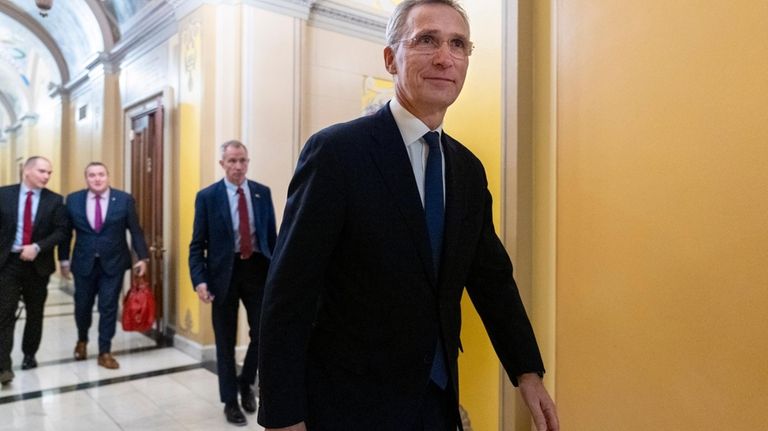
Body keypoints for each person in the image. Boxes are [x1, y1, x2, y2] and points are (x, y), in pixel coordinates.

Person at [256, 1, 559, 430]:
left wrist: (527, 371)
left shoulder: (467, 170)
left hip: (436, 401)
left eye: (458, 44)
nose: (444, 57)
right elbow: (289, 292)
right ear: (390, 59)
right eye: (426, 40)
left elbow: (491, 278)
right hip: (349, 404)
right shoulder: (337, 154)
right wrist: (283, 416)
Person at [188, 140, 277, 426]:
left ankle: (246, 382)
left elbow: (271, 240)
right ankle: (230, 401)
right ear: (222, 164)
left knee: (263, 333)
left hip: (257, 272)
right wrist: (199, 280)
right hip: (222, 275)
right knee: (225, 342)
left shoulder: (262, 193)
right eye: (232, 161)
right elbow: (196, 244)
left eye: (242, 161)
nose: (238, 167)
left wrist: (277, 274)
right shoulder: (207, 197)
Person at [59, 162, 149, 370]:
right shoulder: (73, 200)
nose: (97, 179)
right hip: (83, 263)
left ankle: (105, 350)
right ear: (86, 178)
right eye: (92, 175)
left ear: (108, 177)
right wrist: (64, 260)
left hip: (114, 263)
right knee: (82, 306)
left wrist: (142, 258)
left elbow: (135, 230)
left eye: (101, 174)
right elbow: (65, 234)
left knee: (108, 306)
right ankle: (82, 340)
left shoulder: (124, 200)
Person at [0, 156, 68, 385]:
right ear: (27, 171)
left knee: (35, 312)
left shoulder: (55, 201)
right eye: (42, 171)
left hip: (38, 266)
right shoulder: (4, 195)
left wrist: (38, 247)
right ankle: (4, 366)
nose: (47, 176)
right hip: (8, 263)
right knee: (5, 313)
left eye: (49, 172)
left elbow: (61, 232)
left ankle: (29, 353)